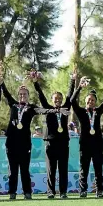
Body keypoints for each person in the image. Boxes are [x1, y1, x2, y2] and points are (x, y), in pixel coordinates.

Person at [0, 77, 68, 200]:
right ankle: (12, 193)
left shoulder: (31, 108)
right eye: (20, 94)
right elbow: (6, 93)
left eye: (25, 94)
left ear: (28, 95)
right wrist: (1, 81)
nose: (22, 96)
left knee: (25, 171)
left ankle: (27, 193)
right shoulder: (13, 105)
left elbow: (43, 110)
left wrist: (56, 110)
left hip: (25, 143)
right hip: (11, 143)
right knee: (12, 171)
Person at [32, 70, 76, 199]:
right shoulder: (47, 109)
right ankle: (51, 192)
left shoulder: (65, 109)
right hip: (50, 143)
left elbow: (70, 95)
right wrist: (36, 83)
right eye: (55, 98)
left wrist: (73, 80)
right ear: (52, 100)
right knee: (51, 170)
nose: (57, 100)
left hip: (63, 143)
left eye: (59, 98)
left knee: (62, 169)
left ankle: (63, 192)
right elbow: (41, 96)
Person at [70, 73, 103, 198]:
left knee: (98, 169)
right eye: (89, 100)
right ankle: (83, 190)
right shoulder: (81, 112)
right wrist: (79, 87)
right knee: (84, 169)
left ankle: (99, 190)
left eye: (93, 100)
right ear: (85, 101)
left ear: (95, 102)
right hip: (85, 145)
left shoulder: (98, 111)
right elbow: (72, 101)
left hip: (98, 145)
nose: (91, 101)